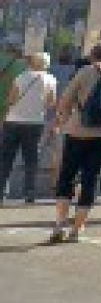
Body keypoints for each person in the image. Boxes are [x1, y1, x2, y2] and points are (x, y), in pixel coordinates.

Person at [48, 40, 101, 243]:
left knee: (66, 176)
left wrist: (61, 120)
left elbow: (65, 101)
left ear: (92, 56)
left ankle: (60, 224)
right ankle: (77, 228)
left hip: (77, 131)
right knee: (90, 178)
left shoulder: (84, 72)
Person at [0, 50, 56, 204]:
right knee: (31, 159)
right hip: (35, 123)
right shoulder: (51, 79)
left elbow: (10, 100)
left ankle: (2, 193)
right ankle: (29, 193)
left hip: (13, 122)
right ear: (46, 64)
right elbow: (51, 103)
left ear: (31, 63)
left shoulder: (20, 77)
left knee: (6, 159)